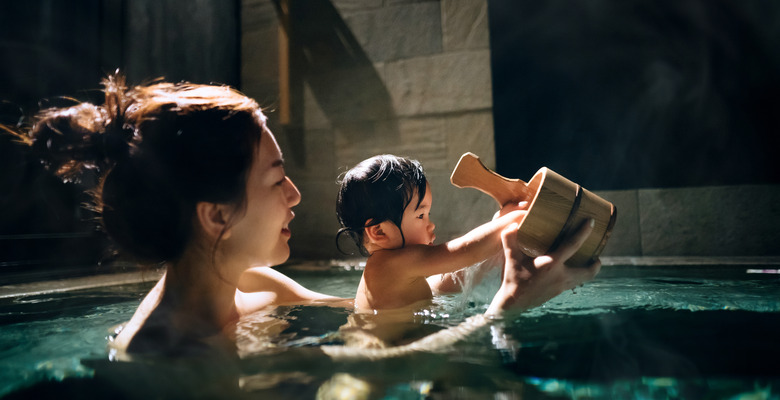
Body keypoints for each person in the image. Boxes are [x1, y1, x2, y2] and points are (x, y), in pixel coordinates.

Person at [12, 74, 600, 357]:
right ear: (217, 215)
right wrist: (506, 311)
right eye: (275, 179)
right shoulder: (163, 358)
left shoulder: (259, 287)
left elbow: (372, 322)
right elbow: (371, 376)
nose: (295, 195)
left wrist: (474, 271)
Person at [336, 154, 527, 311]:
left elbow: (453, 269)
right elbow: (465, 250)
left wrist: (499, 222)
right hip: (391, 349)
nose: (431, 225)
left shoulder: (389, 267)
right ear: (379, 231)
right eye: (421, 216)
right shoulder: (392, 265)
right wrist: (518, 217)